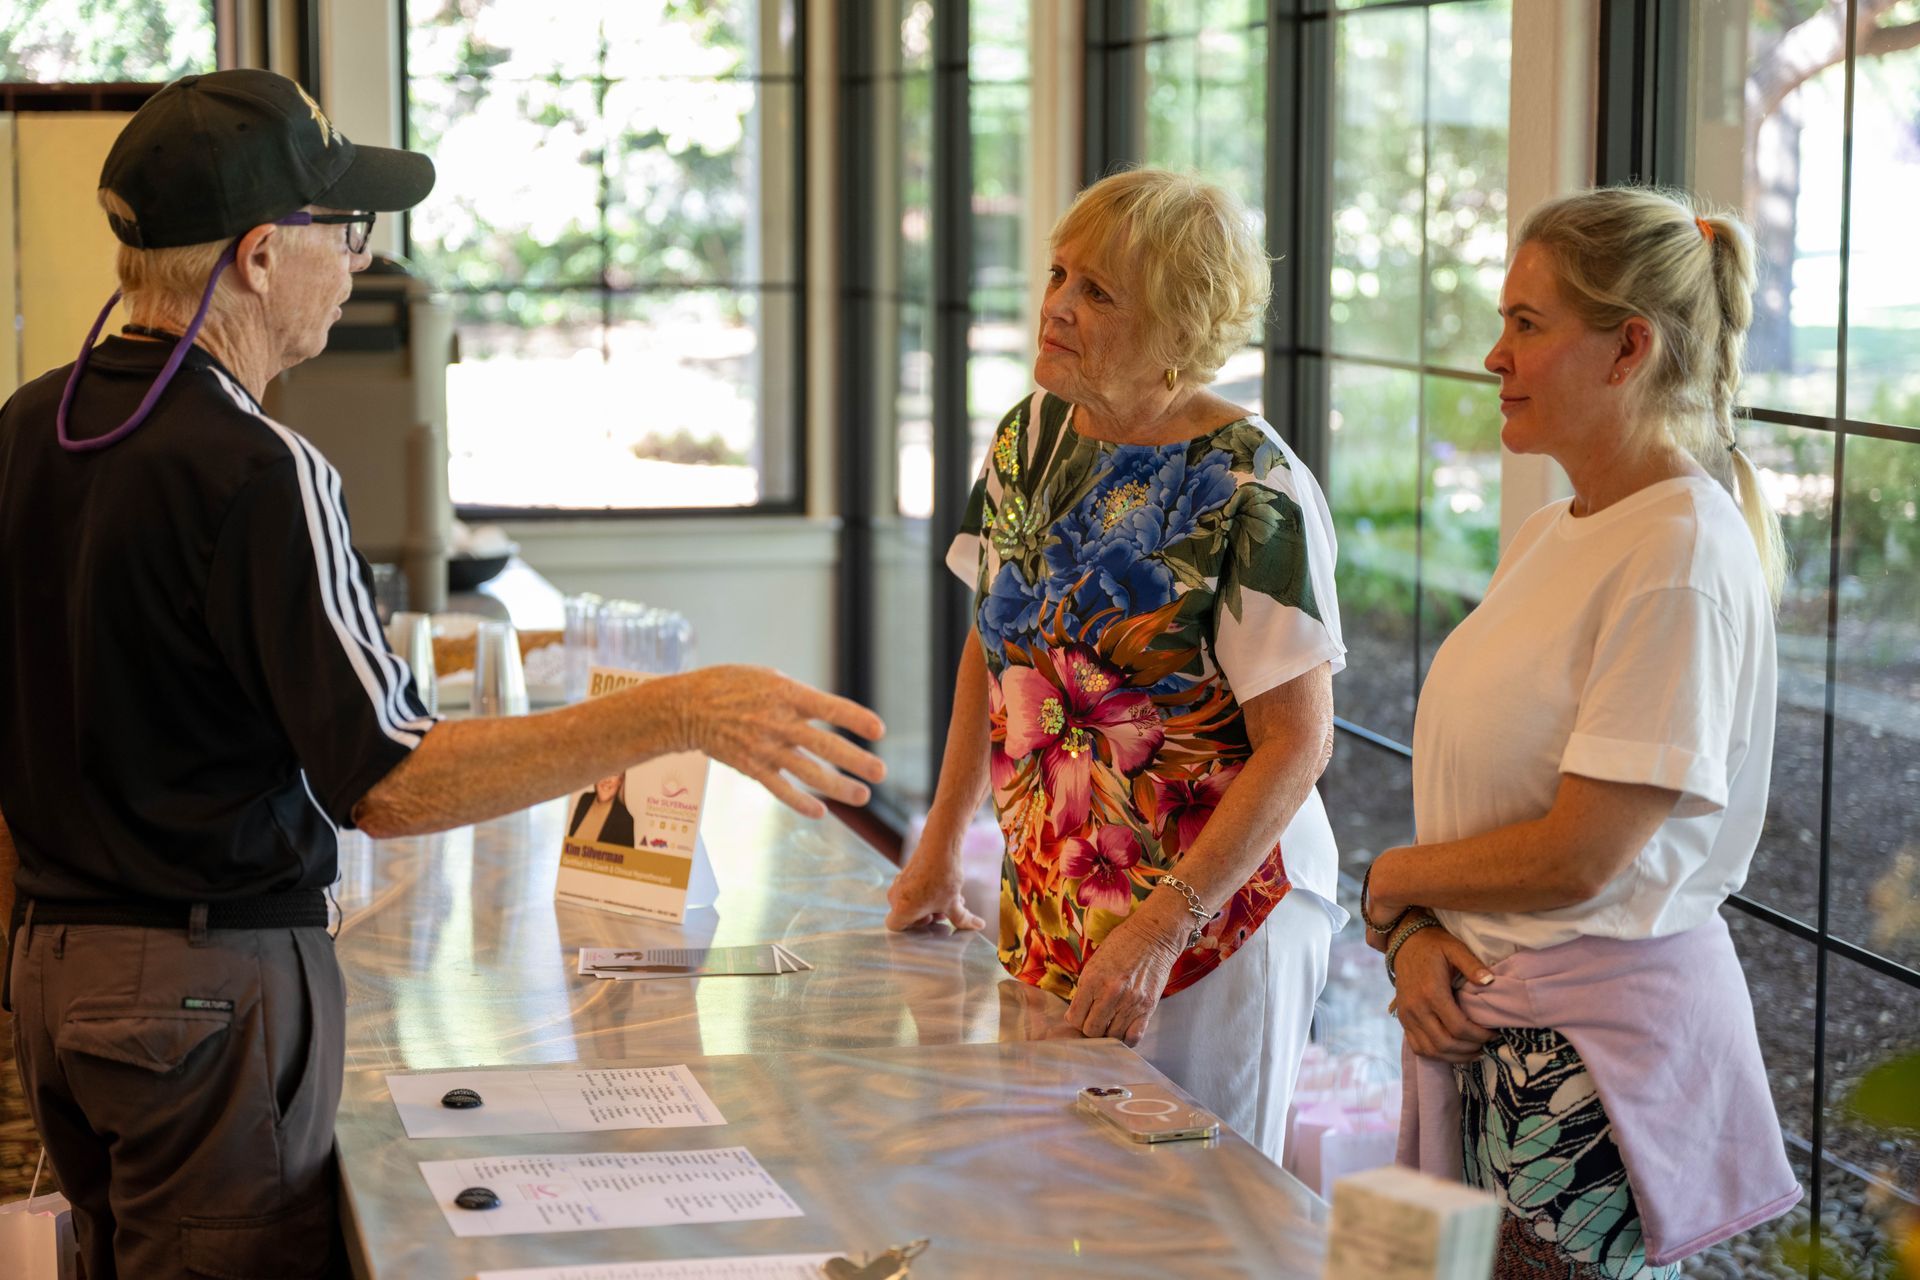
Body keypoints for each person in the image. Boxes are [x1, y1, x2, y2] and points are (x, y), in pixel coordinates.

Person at [0, 70, 885, 1280]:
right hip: (205, 991)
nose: (358, 261)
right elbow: (392, 779)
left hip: (54, 978)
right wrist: (678, 708)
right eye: (341, 230)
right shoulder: (264, 470)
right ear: (260, 257)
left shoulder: (27, 427)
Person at [1359, 186, 1800, 1276]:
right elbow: (1506, 819)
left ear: (1628, 348)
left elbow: (1581, 853)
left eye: (1527, 323)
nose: (1494, 355)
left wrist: (1394, 877)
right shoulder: (1559, 528)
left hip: (1586, 1076)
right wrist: (1415, 930)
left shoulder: (1679, 556)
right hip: (1493, 1026)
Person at [885, 168, 1348, 1161]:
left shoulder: (1252, 485)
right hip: (1066, 893)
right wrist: (939, 839)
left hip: (1220, 909)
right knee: (1059, 1199)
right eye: (1059, 273)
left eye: (1098, 291)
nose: (1057, 305)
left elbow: (1299, 742)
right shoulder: (1029, 437)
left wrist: (1161, 926)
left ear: (1180, 327)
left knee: (1199, 1213)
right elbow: (994, 642)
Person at [567, 773, 637, 845]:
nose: (607, 780)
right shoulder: (585, 800)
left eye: (614, 774)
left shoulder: (625, 821)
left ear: (620, 780)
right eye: (604, 771)